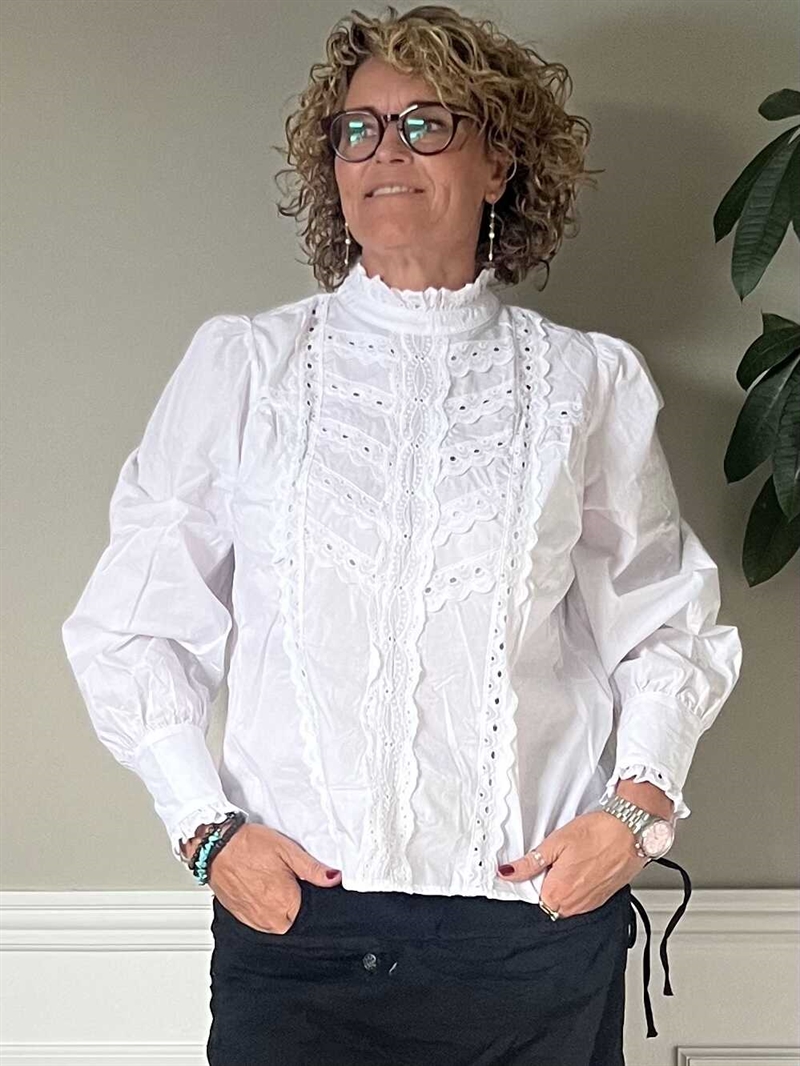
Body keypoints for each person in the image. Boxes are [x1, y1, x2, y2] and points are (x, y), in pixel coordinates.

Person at [61, 5, 743, 1064]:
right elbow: (133, 624)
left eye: (426, 124)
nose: (386, 151)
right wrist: (205, 830)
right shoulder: (245, 369)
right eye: (359, 129)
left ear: (499, 162)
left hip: (531, 930)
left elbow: (664, 623)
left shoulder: (586, 382)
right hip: (298, 929)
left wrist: (635, 812)